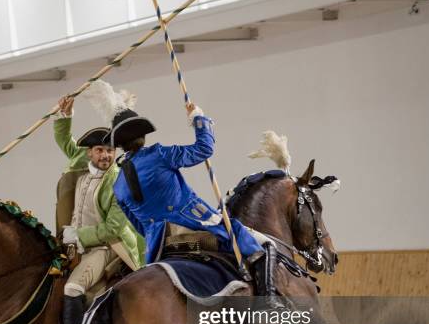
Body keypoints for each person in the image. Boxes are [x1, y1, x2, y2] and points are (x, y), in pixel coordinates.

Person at [84, 80, 283, 305]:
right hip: (193, 225)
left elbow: (139, 226)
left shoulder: (118, 185)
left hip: (158, 246)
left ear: (120, 145)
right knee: (259, 241)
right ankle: (268, 300)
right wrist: (198, 119)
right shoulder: (160, 154)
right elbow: (204, 149)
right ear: (143, 135)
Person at [48, 95, 144, 324]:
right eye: (100, 151)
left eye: (110, 151)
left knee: (73, 285)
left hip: (108, 246)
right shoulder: (82, 164)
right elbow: (66, 143)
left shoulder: (118, 179)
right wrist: (64, 117)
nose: (106, 156)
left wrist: (79, 237)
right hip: (77, 245)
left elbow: (114, 227)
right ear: (89, 153)